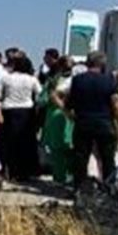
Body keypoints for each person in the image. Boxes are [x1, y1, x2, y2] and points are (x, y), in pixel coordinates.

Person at [65, 51, 118, 186]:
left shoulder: (78, 80)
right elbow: (115, 104)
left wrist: (72, 115)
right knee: (107, 158)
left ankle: (79, 187)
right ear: (102, 63)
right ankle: (109, 187)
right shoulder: (109, 80)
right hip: (104, 123)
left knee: (80, 157)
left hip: (83, 122)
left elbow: (69, 103)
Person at [0, 56, 42, 181]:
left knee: (8, 143)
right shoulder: (31, 79)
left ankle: (8, 171)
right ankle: (24, 172)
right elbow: (40, 94)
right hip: (26, 111)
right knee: (25, 143)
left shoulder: (5, 78)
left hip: (9, 110)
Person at [41, 57, 77, 185]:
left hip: (55, 114)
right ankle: (70, 175)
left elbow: (43, 99)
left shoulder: (53, 80)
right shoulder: (77, 79)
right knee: (70, 146)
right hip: (72, 115)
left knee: (57, 148)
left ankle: (59, 177)